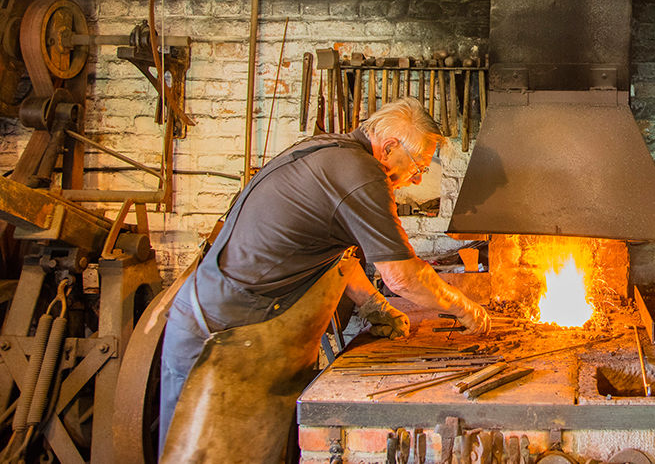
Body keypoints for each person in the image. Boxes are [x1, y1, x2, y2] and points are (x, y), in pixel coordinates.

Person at [158, 98, 490, 452]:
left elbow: (334, 258)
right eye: (418, 166)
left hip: (232, 324)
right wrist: (464, 308)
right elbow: (403, 276)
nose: (418, 178)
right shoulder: (361, 174)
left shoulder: (328, 150)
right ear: (389, 147)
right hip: (228, 338)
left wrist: (373, 305)